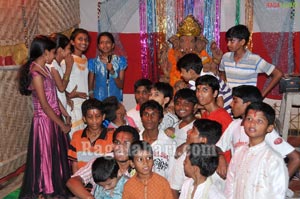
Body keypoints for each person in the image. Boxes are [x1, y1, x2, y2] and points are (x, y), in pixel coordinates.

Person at [18, 35, 71, 198]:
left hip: (54, 118)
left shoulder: (46, 68)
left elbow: (53, 95)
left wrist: (64, 112)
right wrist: (61, 124)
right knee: (46, 157)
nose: (54, 56)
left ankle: (56, 184)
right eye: (53, 53)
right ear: (45, 52)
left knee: (56, 154)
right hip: (44, 122)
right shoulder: (35, 73)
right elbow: (44, 105)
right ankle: (45, 188)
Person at [216, 85, 300, 179]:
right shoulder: (234, 125)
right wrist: (220, 158)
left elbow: (296, 158)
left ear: (248, 105)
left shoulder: (263, 131)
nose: (231, 104)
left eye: (235, 101)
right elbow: (219, 146)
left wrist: (280, 185)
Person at [225, 102, 289, 198]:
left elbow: (278, 194)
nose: (252, 123)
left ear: (270, 128)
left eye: (259, 121)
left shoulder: (274, 159)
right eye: (249, 119)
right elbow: (229, 186)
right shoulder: (238, 152)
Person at [66, 125, 140, 198]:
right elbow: (73, 182)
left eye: (126, 144)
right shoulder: (102, 161)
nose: (120, 147)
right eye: (117, 142)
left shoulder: (142, 165)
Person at [219, 24, 283, 98]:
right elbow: (222, 73)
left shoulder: (254, 59)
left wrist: (261, 96)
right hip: (230, 101)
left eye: (232, 41)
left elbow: (278, 74)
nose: (228, 44)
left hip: (247, 102)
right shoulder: (225, 57)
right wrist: (222, 93)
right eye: (228, 40)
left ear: (242, 42)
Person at [159, 15, 222, 86]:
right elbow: (167, 73)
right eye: (183, 41)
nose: (187, 46)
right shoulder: (172, 54)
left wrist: (216, 60)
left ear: (197, 43)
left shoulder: (202, 56)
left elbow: (211, 71)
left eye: (191, 41)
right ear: (178, 42)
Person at [169, 119, 223, 198]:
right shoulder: (185, 157)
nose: (188, 132)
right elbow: (174, 187)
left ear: (203, 140)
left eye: (193, 130)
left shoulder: (219, 165)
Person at [68, 98, 114, 173]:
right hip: (82, 180)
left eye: (98, 116)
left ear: (103, 117)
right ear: (84, 118)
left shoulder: (111, 136)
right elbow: (75, 164)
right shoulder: (77, 136)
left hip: (104, 180)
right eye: (90, 117)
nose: (94, 120)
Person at [195, 75, 232, 163]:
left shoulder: (222, 116)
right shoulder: (205, 114)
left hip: (222, 163)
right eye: (198, 89)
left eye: (205, 90)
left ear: (215, 94)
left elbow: (231, 142)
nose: (199, 94)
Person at [139, 100, 176, 180]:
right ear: (141, 118)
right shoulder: (135, 140)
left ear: (160, 119)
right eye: (146, 114)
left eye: (153, 114)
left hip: (162, 189)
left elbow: (172, 174)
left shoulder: (170, 144)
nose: (149, 118)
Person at [88, 32, 127, 102]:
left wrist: (112, 71)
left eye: (108, 42)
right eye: (102, 42)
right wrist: (92, 98)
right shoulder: (93, 62)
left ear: (113, 45)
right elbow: (90, 86)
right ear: (98, 46)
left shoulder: (120, 61)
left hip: (114, 101)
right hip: (99, 100)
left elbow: (120, 85)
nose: (105, 45)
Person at [66, 28, 90, 139]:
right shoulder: (67, 60)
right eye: (80, 39)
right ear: (72, 42)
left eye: (86, 40)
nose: (84, 42)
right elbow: (57, 84)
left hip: (85, 104)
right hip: (73, 105)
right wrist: (69, 95)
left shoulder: (85, 59)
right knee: (75, 138)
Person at [48, 33, 73, 123]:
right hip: (55, 109)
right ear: (60, 50)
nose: (70, 52)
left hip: (61, 106)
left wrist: (67, 97)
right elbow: (61, 88)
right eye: (69, 49)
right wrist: (69, 68)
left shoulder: (57, 64)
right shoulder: (52, 66)